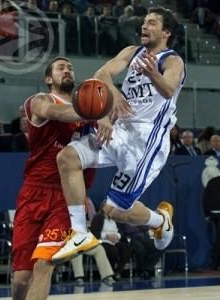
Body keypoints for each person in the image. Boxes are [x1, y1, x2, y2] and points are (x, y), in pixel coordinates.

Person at [52, 7, 185, 262]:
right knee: (67, 158)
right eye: (144, 22)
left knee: (113, 210)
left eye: (152, 23)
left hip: (148, 140)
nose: (145, 26)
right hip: (119, 128)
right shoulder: (132, 51)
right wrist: (112, 95)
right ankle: (79, 232)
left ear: (166, 32)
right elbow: (101, 74)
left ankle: (160, 219)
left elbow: (168, 90)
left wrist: (152, 73)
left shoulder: (172, 60)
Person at [11, 56, 99, 300]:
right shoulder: (40, 101)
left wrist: (103, 114)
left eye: (71, 67)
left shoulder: (90, 110)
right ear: (49, 79)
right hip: (34, 191)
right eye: (61, 68)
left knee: (44, 265)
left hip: (65, 196)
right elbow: (56, 113)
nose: (68, 70)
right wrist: (94, 110)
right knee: (21, 278)